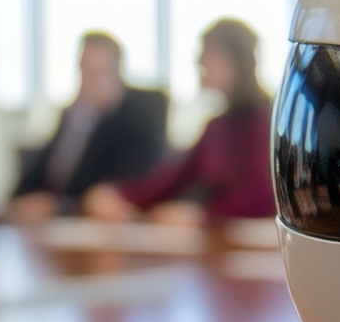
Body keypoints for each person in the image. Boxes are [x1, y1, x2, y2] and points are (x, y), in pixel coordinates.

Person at [82, 18, 275, 225]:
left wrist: (204, 215)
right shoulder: (216, 128)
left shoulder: (264, 123)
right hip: (222, 244)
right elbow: (172, 180)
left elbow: (262, 199)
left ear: (235, 61)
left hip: (255, 247)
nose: (199, 61)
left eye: (208, 53)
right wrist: (118, 196)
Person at [5, 32, 168, 223]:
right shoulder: (74, 115)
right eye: (83, 71)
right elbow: (43, 173)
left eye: (97, 72)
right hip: (52, 229)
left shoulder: (139, 117)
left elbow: (118, 189)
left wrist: (60, 206)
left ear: (116, 73)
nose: (86, 82)